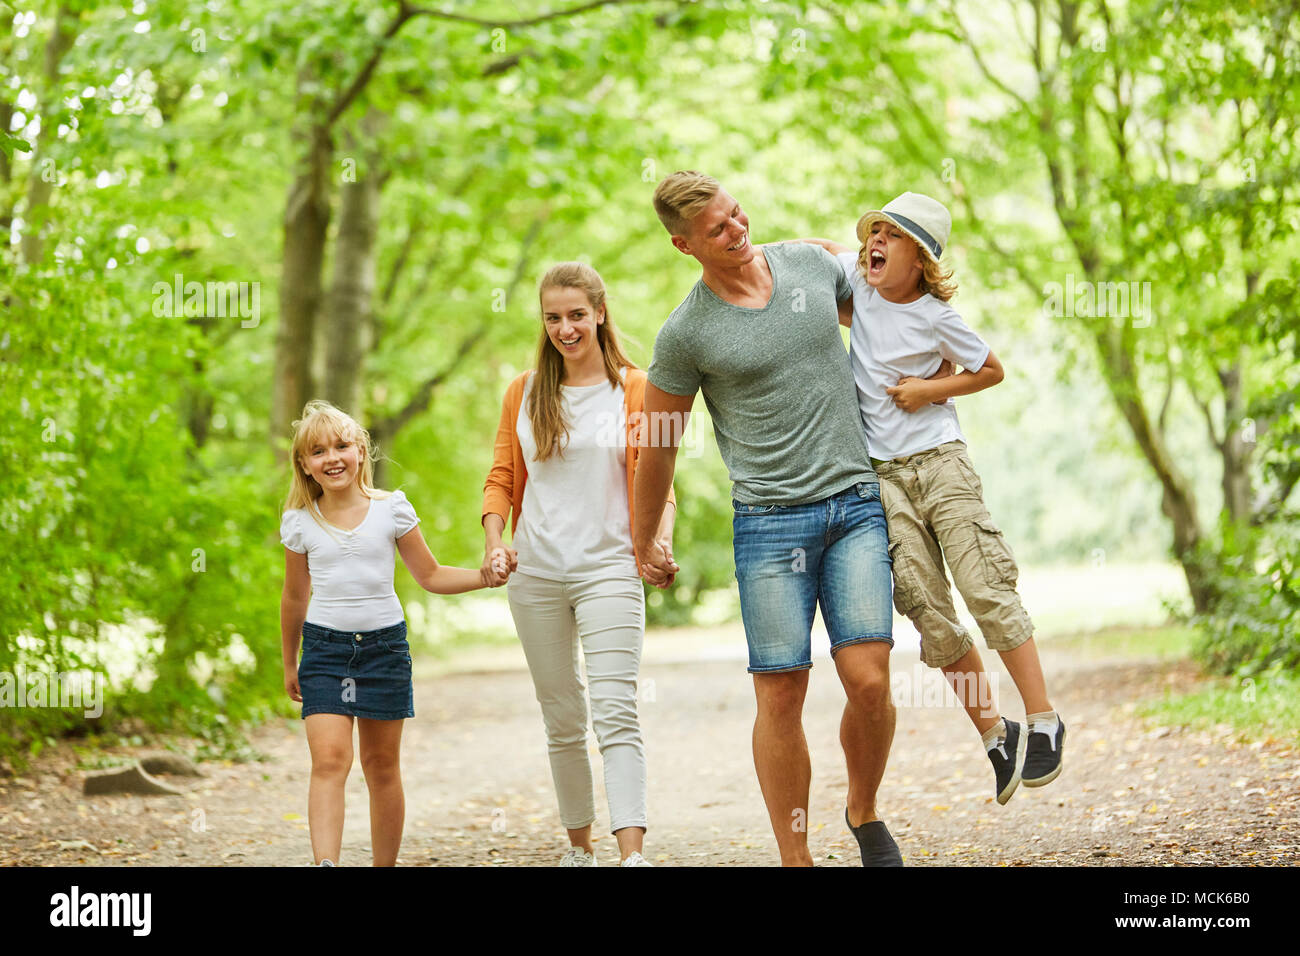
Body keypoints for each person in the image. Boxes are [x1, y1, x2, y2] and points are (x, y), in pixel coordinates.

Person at [634, 171, 905, 867]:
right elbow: (657, 446)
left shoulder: (812, 265)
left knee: (871, 681)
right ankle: (796, 856)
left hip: (854, 506)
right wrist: (645, 541)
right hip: (769, 524)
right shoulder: (686, 332)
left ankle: (864, 808)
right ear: (683, 244)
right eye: (717, 229)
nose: (737, 230)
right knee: (782, 691)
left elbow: (887, 317)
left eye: (735, 213)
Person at [801, 191, 1065, 804]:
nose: (876, 243)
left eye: (892, 238)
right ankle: (997, 734)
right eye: (873, 232)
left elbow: (990, 370)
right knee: (927, 608)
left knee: (984, 586)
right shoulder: (859, 287)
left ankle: (1044, 718)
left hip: (941, 462)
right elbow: (815, 251)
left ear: (918, 259)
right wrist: (741, 248)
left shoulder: (936, 316)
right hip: (883, 477)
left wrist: (929, 389)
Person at [482, 262, 677, 867]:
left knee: (615, 709)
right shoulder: (523, 391)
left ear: (599, 312)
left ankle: (632, 854)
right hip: (535, 575)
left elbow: (658, 483)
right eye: (553, 317)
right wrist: (495, 540)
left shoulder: (636, 389)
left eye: (575, 315)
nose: (565, 328)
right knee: (562, 716)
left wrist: (657, 543)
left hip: (609, 571)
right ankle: (579, 847)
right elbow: (501, 479)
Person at [280, 400, 498, 866]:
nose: (332, 457)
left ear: (361, 450)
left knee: (381, 767)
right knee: (330, 761)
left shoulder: (391, 509)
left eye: (342, 445)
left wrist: (485, 576)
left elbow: (431, 575)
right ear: (305, 464)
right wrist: (289, 661)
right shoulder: (300, 522)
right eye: (318, 451)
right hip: (323, 650)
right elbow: (295, 598)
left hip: (383, 649)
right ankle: (326, 863)